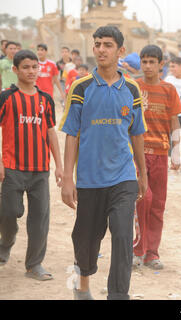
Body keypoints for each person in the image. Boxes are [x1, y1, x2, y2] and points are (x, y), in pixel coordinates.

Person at [59, 26, 147, 300]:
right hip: (89, 179)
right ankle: (82, 285)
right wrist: (68, 179)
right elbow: (71, 134)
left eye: (107, 45)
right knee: (86, 237)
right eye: (97, 44)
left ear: (120, 51)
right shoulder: (80, 87)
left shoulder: (131, 88)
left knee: (122, 235)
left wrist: (142, 175)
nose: (100, 49)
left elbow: (137, 134)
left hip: (123, 177)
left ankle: (118, 295)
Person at [0, 50, 63, 280]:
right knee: (9, 212)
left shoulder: (45, 100)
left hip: (39, 170)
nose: (31, 71)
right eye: (26, 67)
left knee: (39, 218)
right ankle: (6, 241)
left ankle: (34, 265)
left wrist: (59, 165)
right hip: (12, 167)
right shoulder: (6, 97)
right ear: (15, 70)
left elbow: (50, 132)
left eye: (35, 67)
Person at [133, 45, 181, 271]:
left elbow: (175, 121)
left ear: (161, 64)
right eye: (144, 62)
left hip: (161, 154)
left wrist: (177, 151)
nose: (148, 66)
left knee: (158, 204)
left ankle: (152, 253)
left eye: (152, 62)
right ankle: (136, 250)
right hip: (137, 155)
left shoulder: (169, 90)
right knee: (142, 200)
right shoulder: (133, 88)